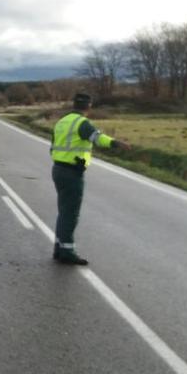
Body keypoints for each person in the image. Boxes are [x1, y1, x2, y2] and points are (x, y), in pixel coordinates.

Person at [50, 93, 131, 265]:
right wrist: (116, 143)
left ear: (74, 104)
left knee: (64, 211)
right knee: (71, 213)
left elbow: (53, 146)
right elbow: (98, 138)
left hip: (58, 168)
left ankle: (59, 247)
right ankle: (67, 251)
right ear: (89, 106)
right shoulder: (82, 123)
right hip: (72, 172)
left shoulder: (62, 121)